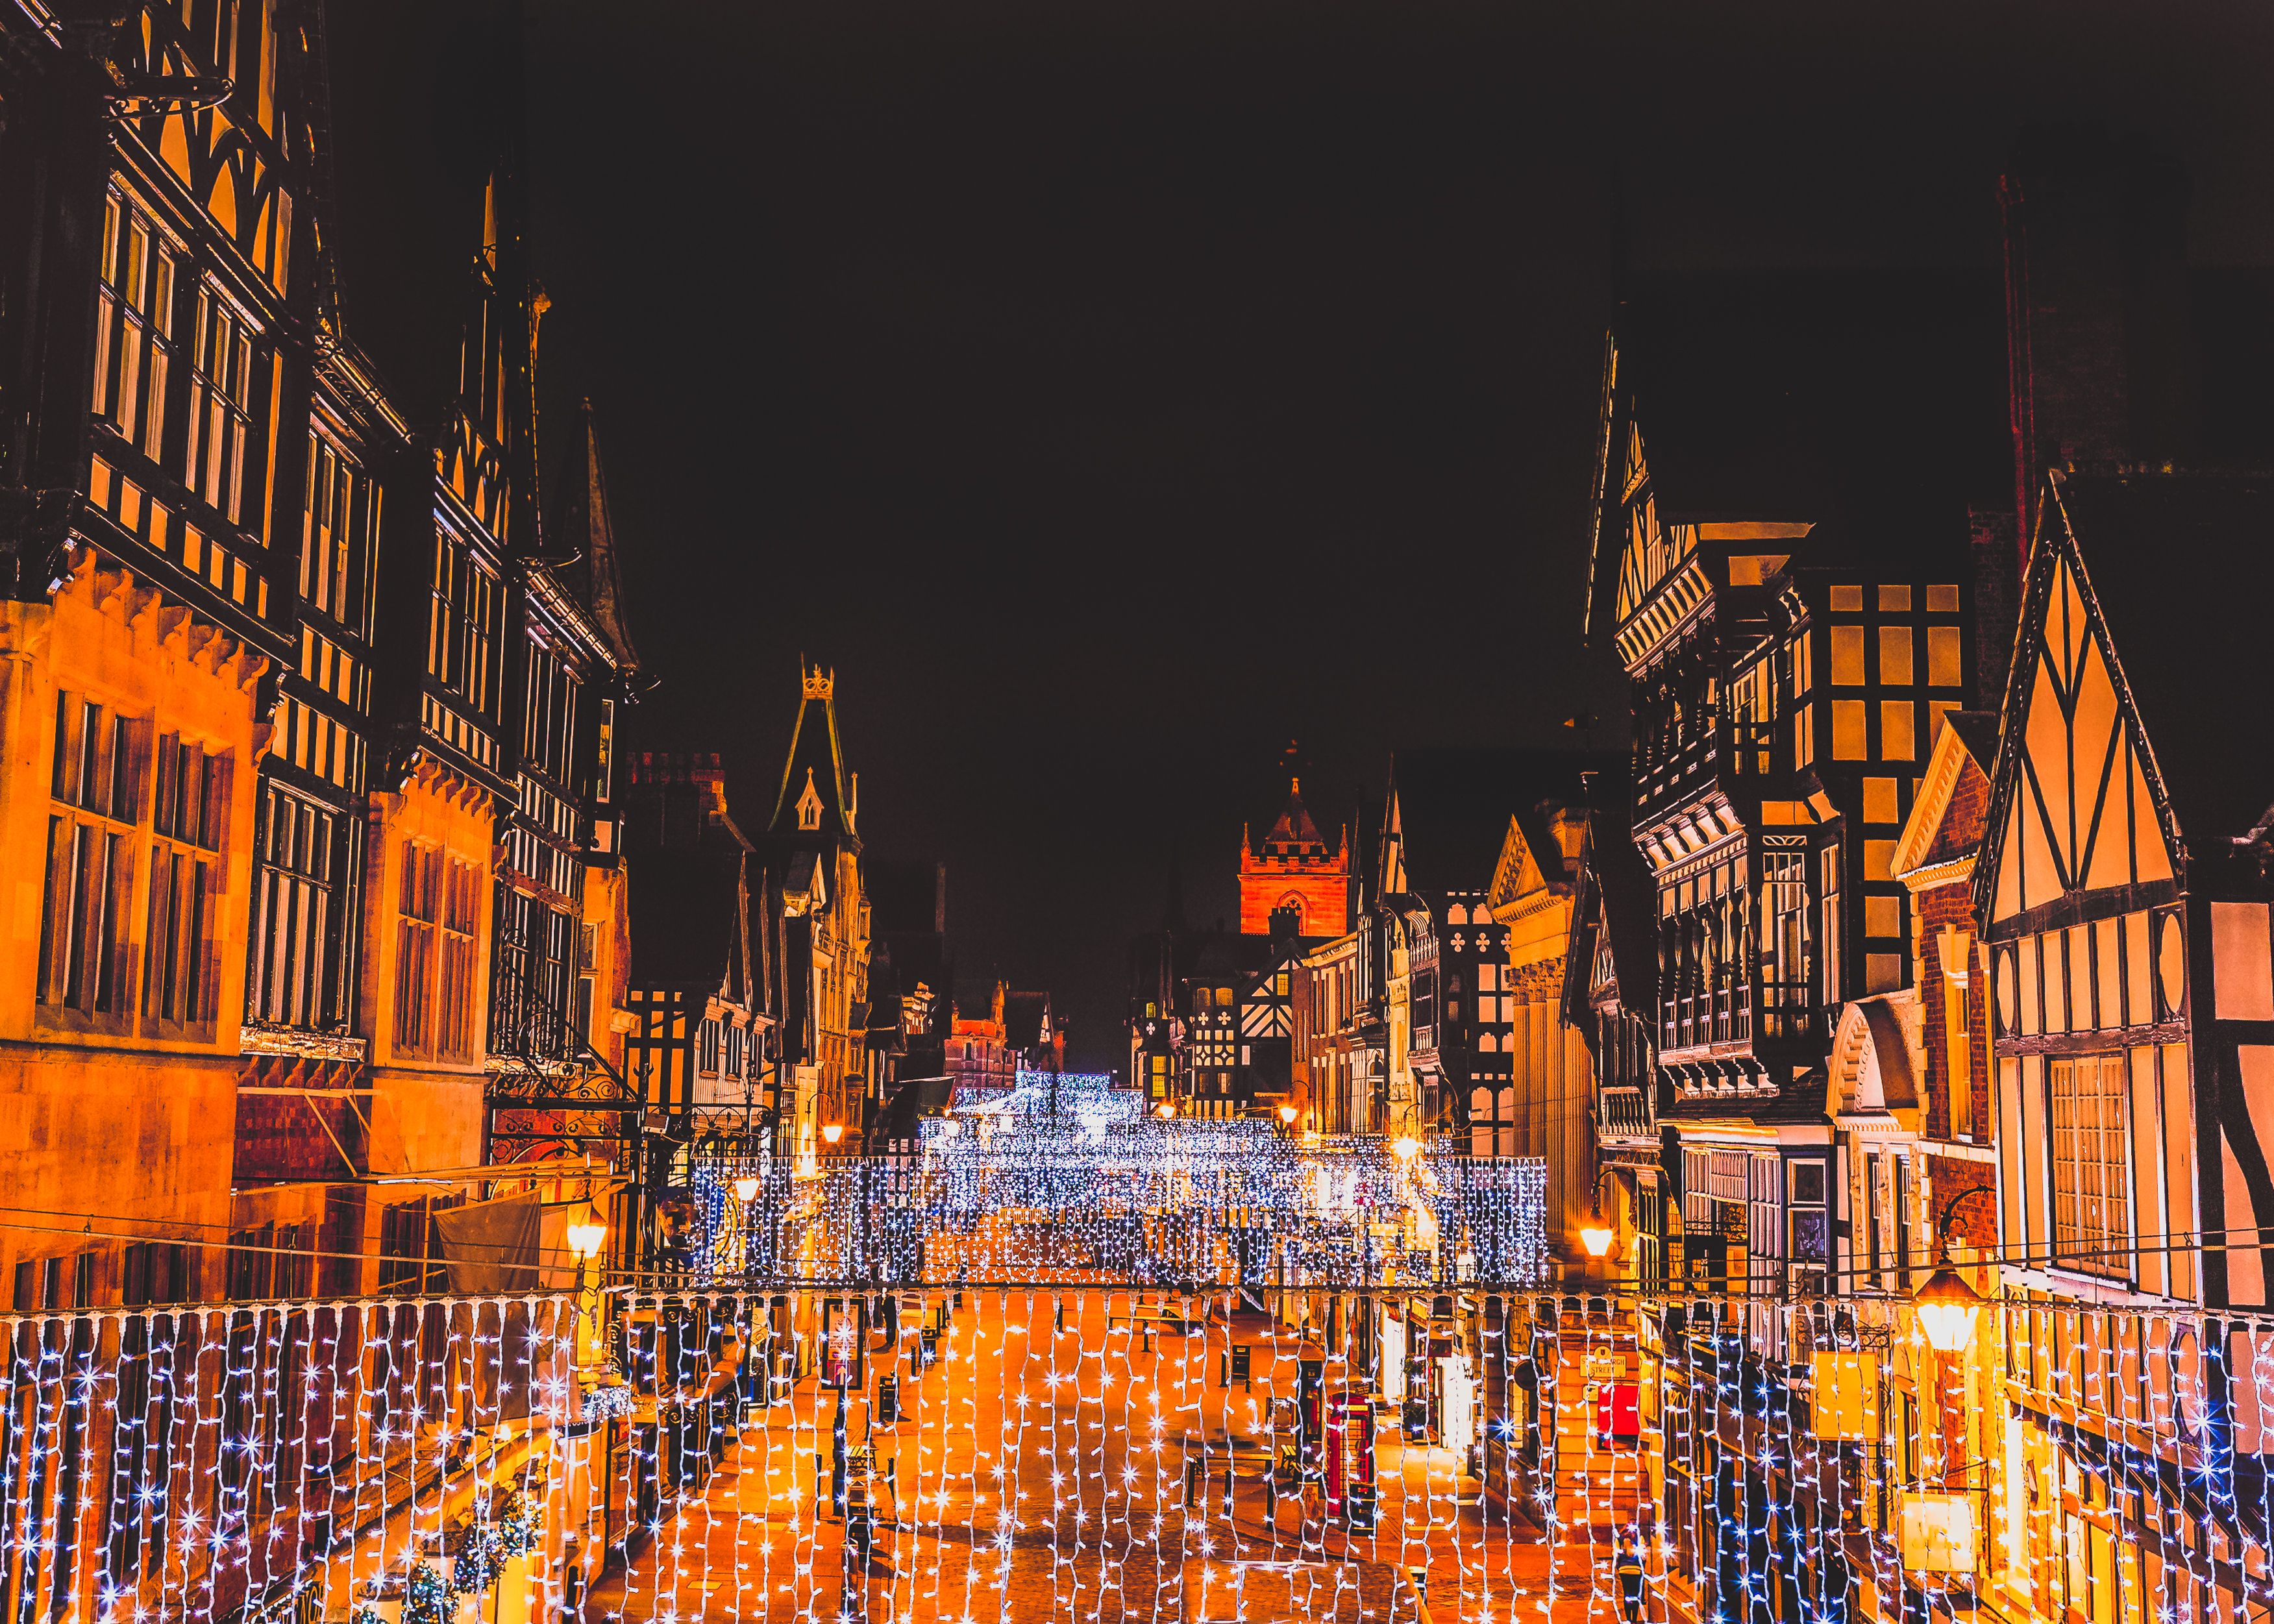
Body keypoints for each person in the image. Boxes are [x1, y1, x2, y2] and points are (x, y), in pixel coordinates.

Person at [1614, 1531, 1648, 1624]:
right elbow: (1644, 1557)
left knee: (1627, 1594)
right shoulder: (1639, 1538)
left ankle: (1628, 1619)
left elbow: (1616, 1555)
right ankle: (1634, 1620)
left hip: (1624, 1570)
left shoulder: (1619, 1539)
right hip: (1636, 1570)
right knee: (1635, 1595)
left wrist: (1619, 1567)